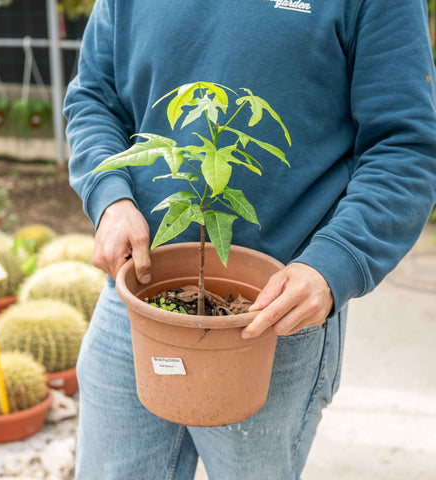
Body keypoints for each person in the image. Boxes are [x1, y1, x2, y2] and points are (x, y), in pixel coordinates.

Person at [63, 0, 436, 478]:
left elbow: (405, 148)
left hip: (275, 316)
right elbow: (94, 97)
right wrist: (110, 199)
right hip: (136, 295)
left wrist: (332, 264)